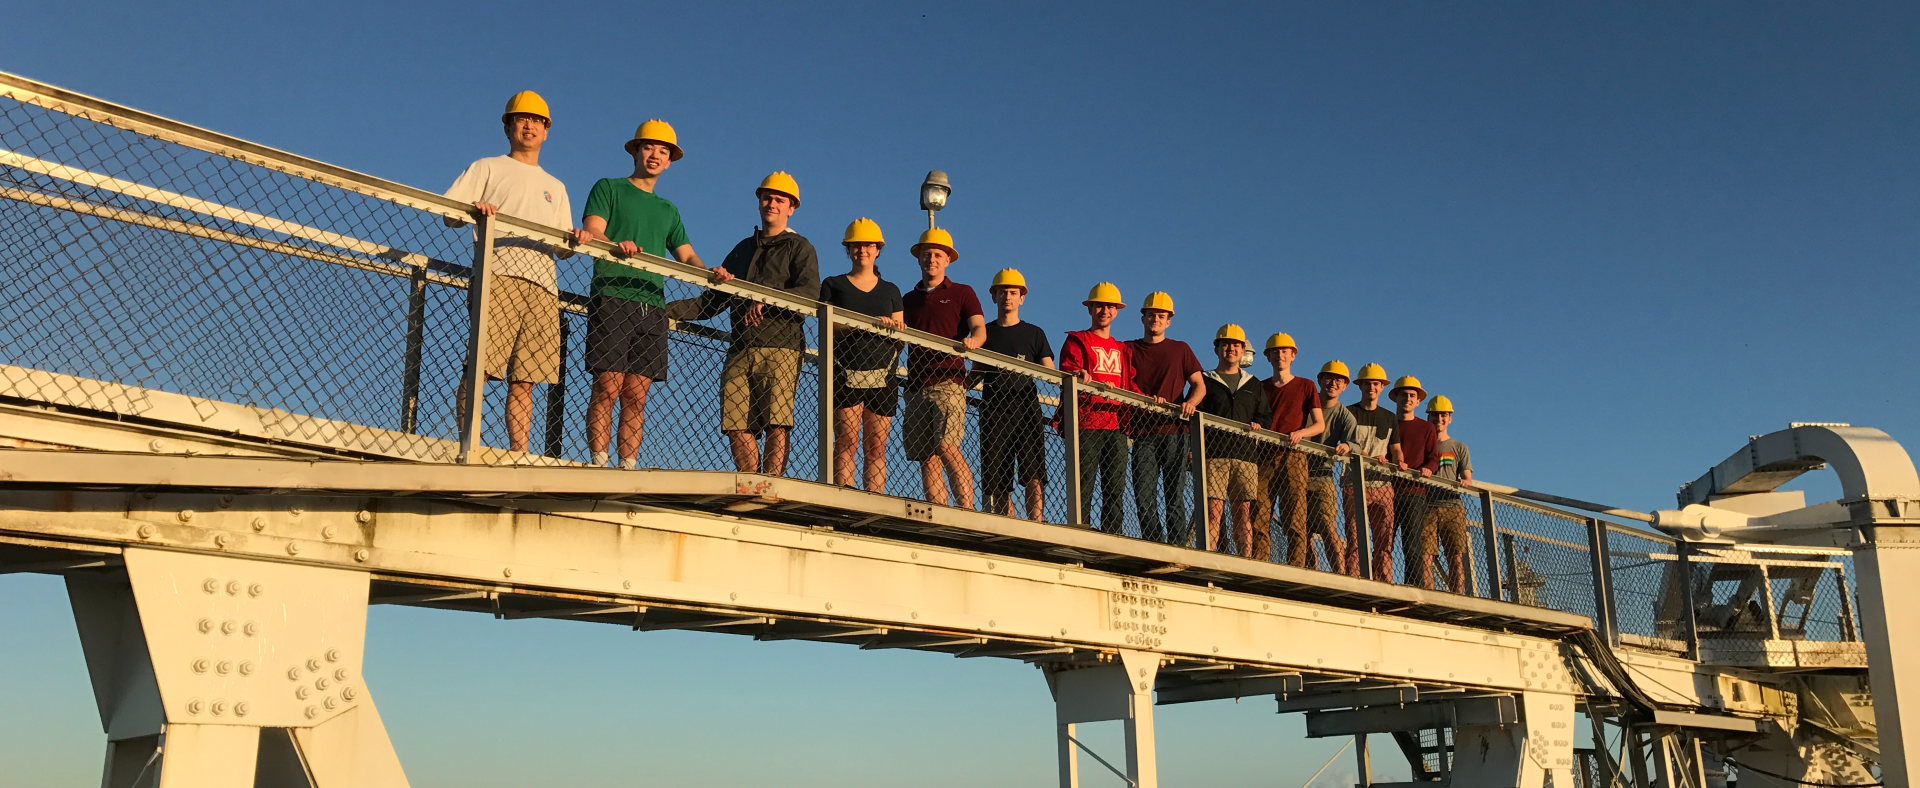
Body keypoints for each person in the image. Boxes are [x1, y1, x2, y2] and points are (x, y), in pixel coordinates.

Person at [443, 90, 576, 455]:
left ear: (547, 131)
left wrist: (575, 238)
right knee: (480, 367)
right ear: (508, 126)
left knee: (527, 378)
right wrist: (474, 208)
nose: (530, 126)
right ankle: (467, 445)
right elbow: (449, 214)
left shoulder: (556, 186)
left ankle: (520, 454)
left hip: (544, 286)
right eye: (522, 119)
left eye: (537, 121)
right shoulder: (487, 167)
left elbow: (563, 249)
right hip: (497, 276)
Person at [668, 172, 818, 476]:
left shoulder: (799, 248)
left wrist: (765, 300)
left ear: (792, 207)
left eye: (779, 199)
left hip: (782, 345)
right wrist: (662, 309)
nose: (771, 203)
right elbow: (710, 302)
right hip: (740, 346)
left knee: (777, 420)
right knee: (736, 423)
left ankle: (772, 484)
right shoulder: (742, 249)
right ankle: (750, 483)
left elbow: (809, 293)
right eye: (767, 197)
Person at [573, 120, 703, 469]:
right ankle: (599, 461)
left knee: (636, 395)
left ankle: (627, 466)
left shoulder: (668, 209)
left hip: (652, 305)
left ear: (670, 161)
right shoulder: (609, 187)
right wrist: (617, 246)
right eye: (649, 147)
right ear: (635, 151)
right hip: (613, 294)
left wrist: (711, 273)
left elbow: (687, 255)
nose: (655, 155)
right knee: (608, 386)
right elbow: (592, 231)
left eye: (663, 151)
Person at [901, 228, 986, 507]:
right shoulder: (909, 299)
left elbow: (979, 329)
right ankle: (937, 510)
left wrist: (973, 341)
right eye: (927, 254)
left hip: (948, 380)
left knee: (947, 446)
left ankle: (966, 508)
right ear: (919, 259)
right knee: (926, 455)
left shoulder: (962, 292)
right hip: (915, 384)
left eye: (938, 254)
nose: (932, 259)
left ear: (947, 259)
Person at [820, 218, 904, 492]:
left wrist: (893, 329)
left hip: (883, 374)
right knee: (847, 440)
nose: (862, 250)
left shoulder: (891, 290)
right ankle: (844, 496)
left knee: (876, 445)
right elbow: (826, 323)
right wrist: (866, 323)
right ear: (848, 250)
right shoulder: (833, 284)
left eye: (868, 245)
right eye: (856, 246)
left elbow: (901, 336)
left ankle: (874, 499)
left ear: (877, 249)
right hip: (845, 370)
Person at [1059, 282, 1140, 532]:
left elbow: (1132, 384)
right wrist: (1078, 373)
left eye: (1110, 306)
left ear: (1116, 311)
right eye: (1099, 306)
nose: (1105, 310)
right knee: (1083, 484)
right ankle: (1079, 531)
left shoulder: (1123, 349)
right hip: (1086, 422)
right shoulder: (1078, 340)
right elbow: (1066, 368)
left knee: (1115, 487)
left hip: (1116, 426)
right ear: (1090, 309)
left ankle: (1111, 535)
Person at [975, 268, 1053, 519]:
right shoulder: (985, 333)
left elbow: (1050, 372)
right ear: (994, 297)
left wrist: (1074, 377)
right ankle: (1006, 525)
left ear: (1022, 298)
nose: (1007, 296)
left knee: (1033, 474)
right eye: (1002, 292)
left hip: (1026, 410)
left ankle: (1035, 525)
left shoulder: (1035, 333)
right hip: (994, 410)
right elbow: (975, 371)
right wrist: (957, 386)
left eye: (1012, 292)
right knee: (998, 478)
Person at [1127, 292, 1204, 545]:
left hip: (1175, 432)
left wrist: (1189, 404)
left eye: (1161, 316)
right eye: (1151, 315)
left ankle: (1178, 547)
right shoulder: (1129, 348)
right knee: (1143, 495)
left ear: (1169, 320)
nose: (1155, 319)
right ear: (1143, 318)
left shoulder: (1180, 349)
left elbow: (1199, 386)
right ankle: (1154, 543)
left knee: (1174, 496)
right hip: (1142, 433)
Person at [1196, 324, 1272, 555]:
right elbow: (1195, 411)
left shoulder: (1253, 383)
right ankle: (1208, 555)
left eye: (1236, 345)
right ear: (1217, 348)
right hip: (1214, 454)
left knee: (1243, 513)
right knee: (1213, 511)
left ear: (1243, 350)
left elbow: (1265, 415)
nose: (1230, 348)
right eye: (1225, 344)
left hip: (1245, 456)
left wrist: (1260, 425)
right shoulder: (1205, 380)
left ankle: (1245, 559)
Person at [1254, 333, 1326, 565]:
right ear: (1268, 357)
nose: (1280, 355)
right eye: (1275, 351)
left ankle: (1296, 564)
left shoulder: (1306, 385)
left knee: (1295, 513)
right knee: (1259, 512)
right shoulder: (1260, 386)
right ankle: (1260, 560)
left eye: (1285, 351)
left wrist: (1301, 433)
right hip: (1264, 455)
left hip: (1294, 456)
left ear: (1293, 355)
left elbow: (1319, 424)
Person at [1346, 363, 1400, 580]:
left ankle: (1384, 580)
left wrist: (1399, 463)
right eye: (1367, 383)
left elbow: (1396, 449)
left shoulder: (1389, 418)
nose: (1372, 387)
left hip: (1383, 484)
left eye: (1376, 384)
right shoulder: (1349, 413)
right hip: (1353, 482)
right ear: (1360, 386)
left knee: (1384, 539)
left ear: (1382, 387)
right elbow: (1345, 443)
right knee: (1354, 536)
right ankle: (1354, 578)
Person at [1305, 360, 1357, 576]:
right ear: (1320, 380)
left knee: (1328, 527)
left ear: (1345, 386)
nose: (1333, 383)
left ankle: (1340, 574)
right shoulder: (1306, 402)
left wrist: (1346, 445)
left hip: (1323, 475)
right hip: (1296, 472)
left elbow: (1354, 443)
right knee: (1301, 529)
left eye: (1339, 380)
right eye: (1329, 378)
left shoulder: (1345, 416)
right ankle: (1308, 572)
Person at [1387, 375, 1441, 586]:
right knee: (1384, 543)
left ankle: (1413, 586)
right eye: (1403, 395)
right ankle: (1382, 581)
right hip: (1387, 490)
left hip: (1414, 492)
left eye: (1412, 395)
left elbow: (1433, 458)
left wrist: (1428, 469)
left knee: (1411, 544)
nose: (1408, 399)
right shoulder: (1388, 423)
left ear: (1418, 401)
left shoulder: (1427, 429)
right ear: (1396, 398)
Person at [1419, 395, 1475, 593]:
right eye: (1435, 415)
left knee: (1456, 557)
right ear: (1428, 418)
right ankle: (1430, 596)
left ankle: (1457, 596)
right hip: (1426, 505)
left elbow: (1467, 477)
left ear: (1450, 418)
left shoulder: (1460, 447)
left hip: (1453, 506)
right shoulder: (1423, 445)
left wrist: (1465, 482)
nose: (1439, 419)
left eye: (1443, 415)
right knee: (1425, 556)